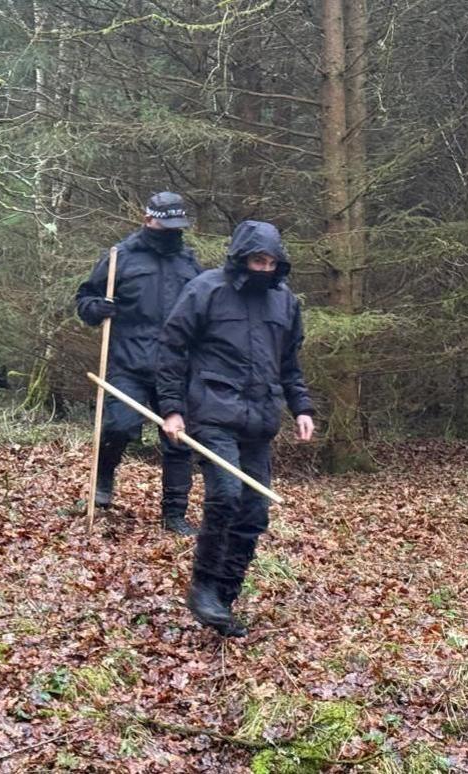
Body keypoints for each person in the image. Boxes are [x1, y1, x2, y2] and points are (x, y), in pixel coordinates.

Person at [156, 220, 315, 637]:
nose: (264, 267)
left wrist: (301, 407)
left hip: (260, 420)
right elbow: (171, 348)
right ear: (241, 258)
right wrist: (172, 409)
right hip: (212, 411)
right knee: (225, 494)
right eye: (257, 260)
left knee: (254, 511)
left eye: (270, 261)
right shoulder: (206, 289)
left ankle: (224, 597)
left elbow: (289, 364)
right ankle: (203, 586)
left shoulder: (285, 303)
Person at [76, 192, 202, 535]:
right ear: (149, 220)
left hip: (175, 368)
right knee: (118, 426)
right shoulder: (121, 257)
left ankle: (175, 513)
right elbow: (85, 298)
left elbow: (205, 312)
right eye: (165, 224)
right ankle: (103, 478)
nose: (172, 232)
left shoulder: (189, 264)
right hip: (127, 362)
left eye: (177, 226)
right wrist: (95, 308)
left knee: (178, 440)